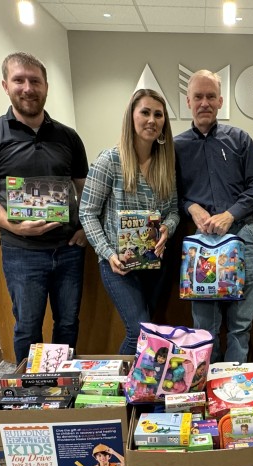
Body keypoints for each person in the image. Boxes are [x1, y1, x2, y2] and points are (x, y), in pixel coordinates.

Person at [0, 52, 89, 363]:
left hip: (68, 250)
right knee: (28, 327)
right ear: (5, 85)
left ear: (46, 86)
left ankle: (61, 383)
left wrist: (85, 228)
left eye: (35, 81)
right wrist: (13, 225)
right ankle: (30, 389)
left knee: (68, 323)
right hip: (22, 252)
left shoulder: (68, 137)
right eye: (19, 80)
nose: (28, 88)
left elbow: (85, 188)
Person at [174, 70, 253, 364]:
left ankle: (234, 385)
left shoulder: (239, 139)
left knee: (241, 327)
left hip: (243, 237)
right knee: (205, 329)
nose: (204, 102)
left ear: (220, 101)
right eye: (198, 97)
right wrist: (190, 206)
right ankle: (208, 383)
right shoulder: (176, 147)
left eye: (210, 96)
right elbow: (168, 193)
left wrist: (231, 214)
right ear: (188, 101)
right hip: (202, 246)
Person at [79, 89, 179, 355]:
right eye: (145, 112)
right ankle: (120, 379)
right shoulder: (110, 160)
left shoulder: (165, 164)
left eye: (158, 114)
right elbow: (87, 212)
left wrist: (168, 228)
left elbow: (174, 211)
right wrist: (108, 253)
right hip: (118, 265)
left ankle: (139, 380)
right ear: (131, 117)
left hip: (154, 263)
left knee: (149, 331)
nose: (152, 120)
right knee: (138, 332)